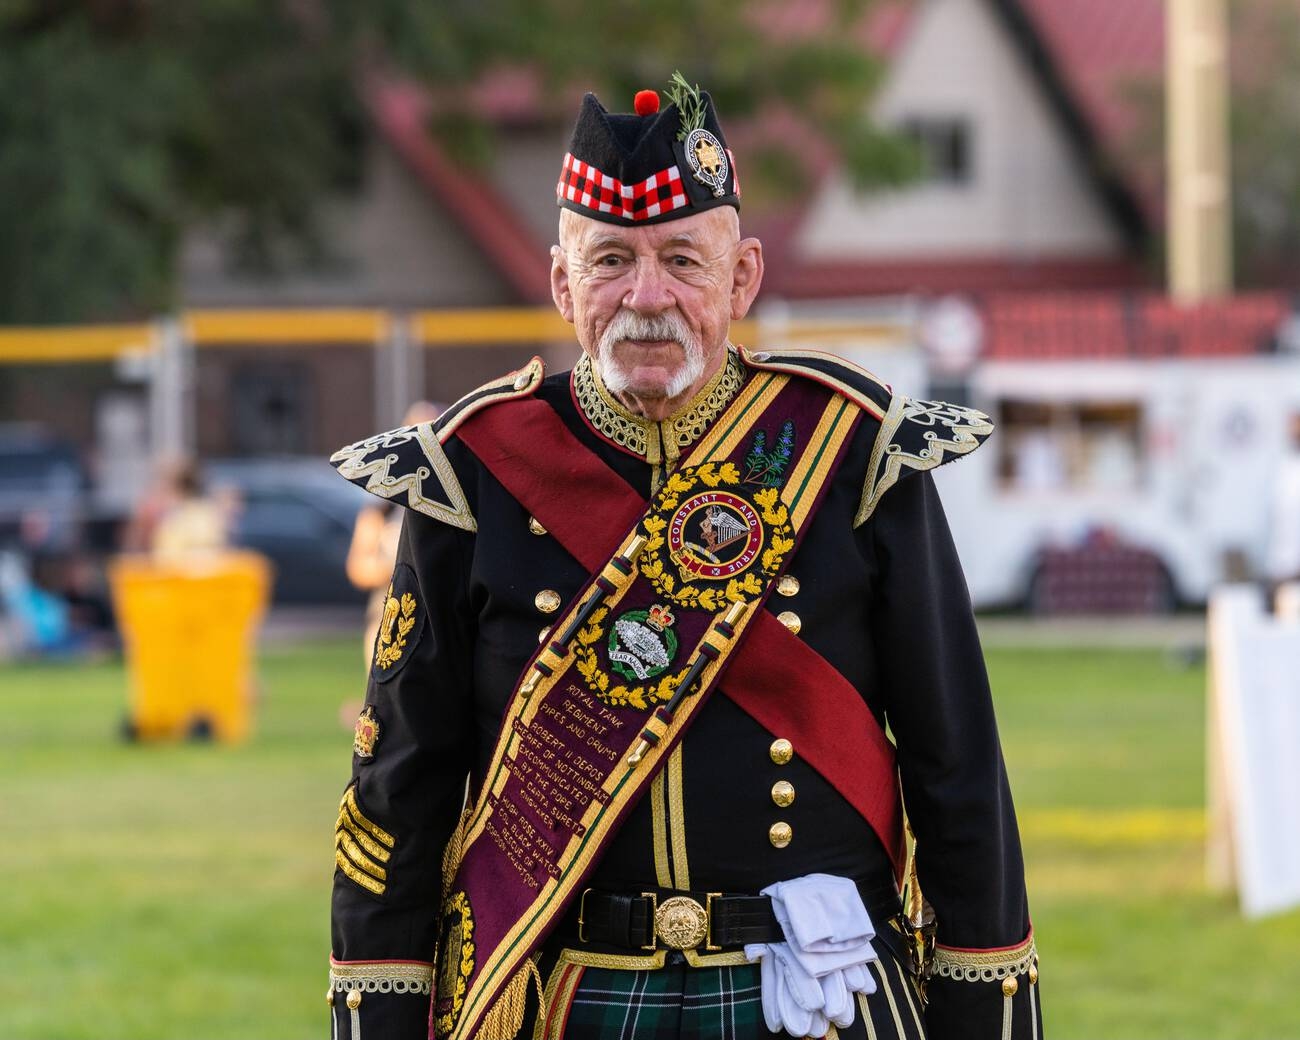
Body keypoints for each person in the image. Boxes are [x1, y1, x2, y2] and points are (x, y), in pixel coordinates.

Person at [327, 77, 1042, 1040]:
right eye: (612, 260)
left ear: (741, 278)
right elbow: (398, 791)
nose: (648, 296)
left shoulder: (853, 453)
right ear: (560, 282)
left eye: (682, 260)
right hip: (571, 998)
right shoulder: (474, 471)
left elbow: (957, 769)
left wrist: (984, 1000)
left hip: (815, 994)